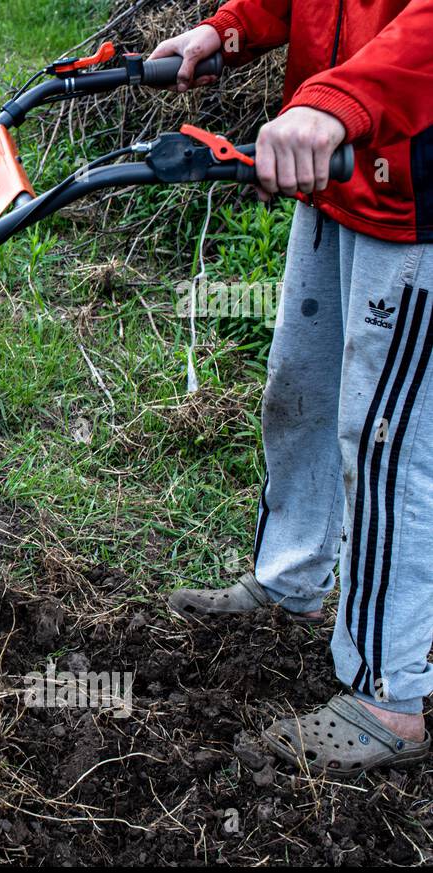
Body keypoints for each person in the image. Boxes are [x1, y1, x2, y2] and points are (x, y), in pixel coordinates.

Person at [152, 0, 433, 777]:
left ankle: (388, 696)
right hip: (340, 179)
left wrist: (336, 103)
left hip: (417, 196)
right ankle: (291, 582)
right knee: (297, 391)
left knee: (387, 439)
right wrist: (227, 29)